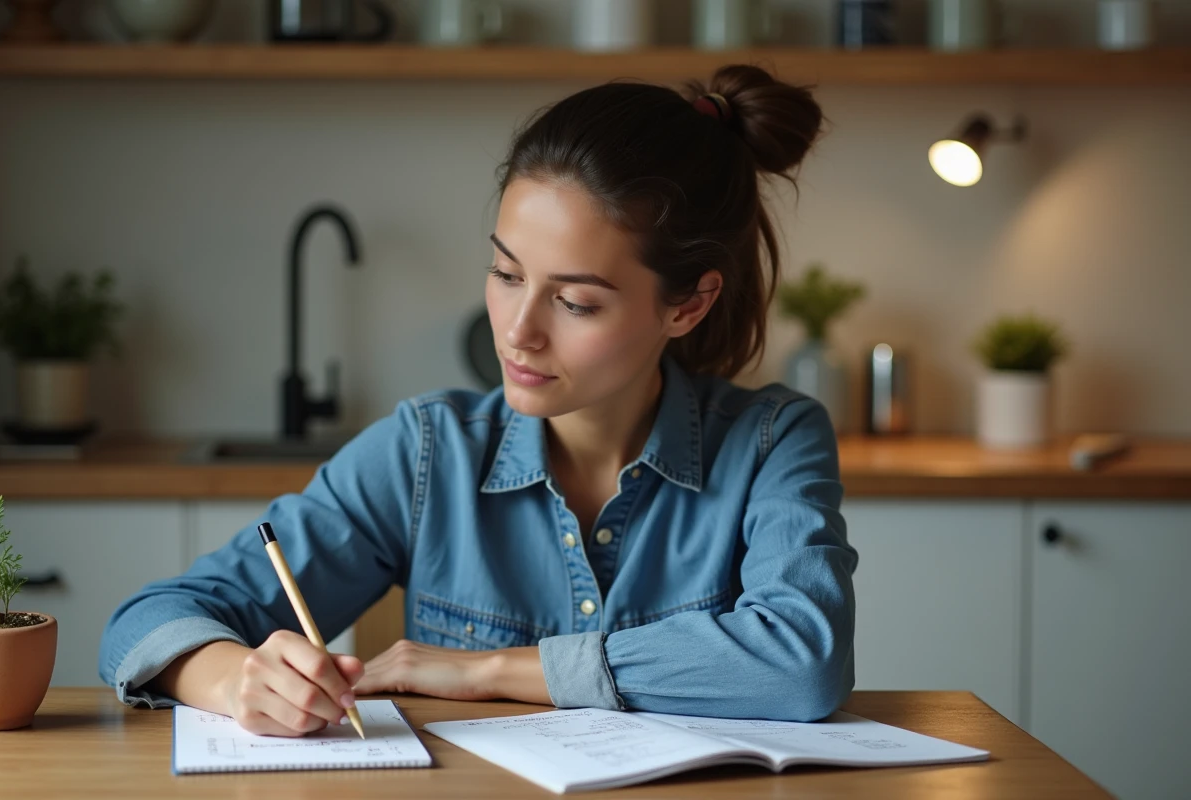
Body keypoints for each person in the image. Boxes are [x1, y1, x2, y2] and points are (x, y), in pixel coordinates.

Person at [100, 64, 858, 738]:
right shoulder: (426, 452)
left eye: (577, 303)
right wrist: (235, 681)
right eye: (505, 273)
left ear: (688, 305)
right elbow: (143, 623)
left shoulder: (772, 442)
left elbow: (801, 663)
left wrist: (487, 670)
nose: (517, 332)